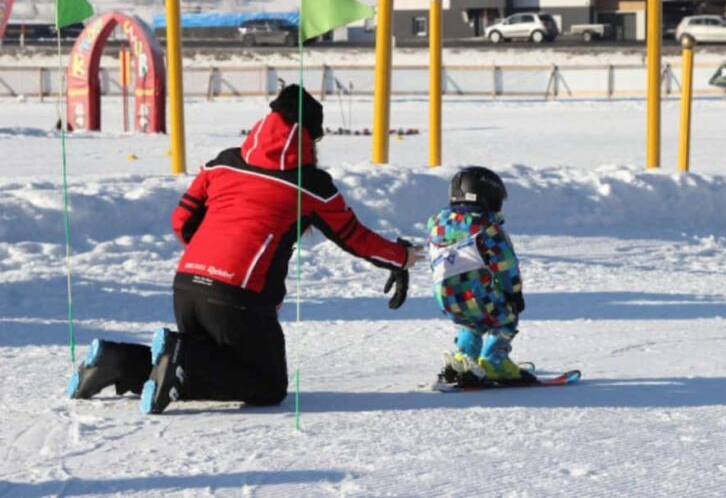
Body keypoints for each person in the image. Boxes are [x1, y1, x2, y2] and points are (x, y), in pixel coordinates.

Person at [68, 84, 423, 413]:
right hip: (238, 297)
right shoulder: (311, 185)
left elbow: (181, 221)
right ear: (310, 138)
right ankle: (179, 356)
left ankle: (118, 362)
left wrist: (212, 259)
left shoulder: (223, 162)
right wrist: (402, 257)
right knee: (266, 386)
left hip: (186, 284)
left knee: (214, 364)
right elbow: (354, 238)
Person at [427, 166, 530, 381]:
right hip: (477, 292)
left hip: (445, 295)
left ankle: (464, 360)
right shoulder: (487, 227)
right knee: (505, 317)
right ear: (486, 197)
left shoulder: (437, 225)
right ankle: (494, 362)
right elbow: (505, 263)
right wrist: (514, 293)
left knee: (469, 322)